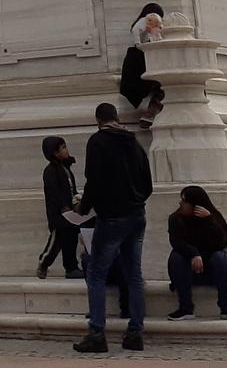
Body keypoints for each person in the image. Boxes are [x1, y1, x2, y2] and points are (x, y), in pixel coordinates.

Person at [74, 102, 150, 355]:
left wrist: (84, 208)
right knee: (134, 274)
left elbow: (93, 180)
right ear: (116, 117)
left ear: (98, 120)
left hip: (113, 216)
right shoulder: (133, 141)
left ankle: (97, 333)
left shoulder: (98, 142)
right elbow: (147, 182)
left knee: (96, 273)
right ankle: (135, 333)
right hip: (137, 214)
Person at [165, 185, 227, 321]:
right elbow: (177, 243)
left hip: (213, 271)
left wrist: (209, 220)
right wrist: (194, 254)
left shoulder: (213, 217)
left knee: (221, 256)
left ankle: (226, 307)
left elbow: (222, 243)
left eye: (185, 201)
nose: (180, 204)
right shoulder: (175, 219)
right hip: (187, 270)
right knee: (176, 257)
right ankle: (185, 308)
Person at [37, 135, 84, 280]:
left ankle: (71, 267)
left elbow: (70, 189)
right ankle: (44, 262)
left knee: (71, 239)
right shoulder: (51, 171)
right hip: (59, 214)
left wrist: (76, 198)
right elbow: (55, 193)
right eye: (62, 147)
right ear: (54, 153)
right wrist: (64, 206)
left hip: (70, 211)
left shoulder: (65, 169)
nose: (66, 150)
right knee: (56, 241)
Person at [118, 4, 165, 122]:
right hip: (144, 60)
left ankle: (151, 110)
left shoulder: (146, 24)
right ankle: (152, 109)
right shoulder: (145, 22)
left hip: (137, 65)